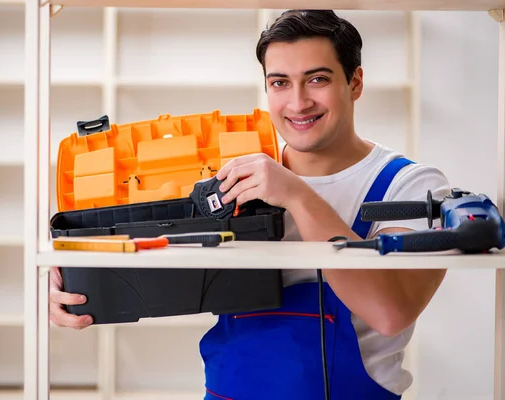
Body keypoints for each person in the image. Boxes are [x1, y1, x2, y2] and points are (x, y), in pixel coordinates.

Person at [49, 9, 451, 400]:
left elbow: (391, 312)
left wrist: (296, 194)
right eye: (280, 83)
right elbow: (157, 258)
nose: (297, 102)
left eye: (317, 79)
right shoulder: (234, 178)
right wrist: (73, 280)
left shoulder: (411, 186)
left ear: (355, 82)